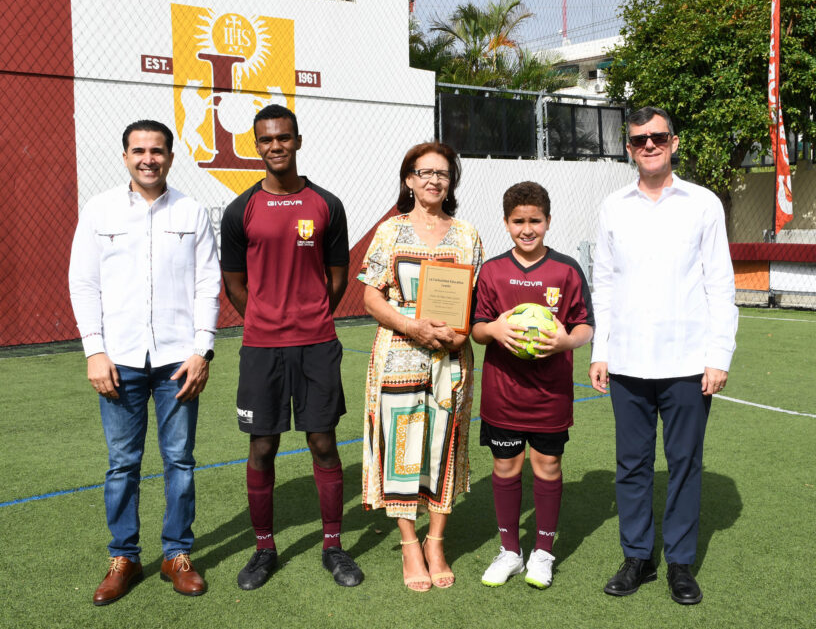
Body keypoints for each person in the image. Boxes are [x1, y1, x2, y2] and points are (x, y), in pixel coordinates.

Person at [589, 106, 738, 605]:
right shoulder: (613, 206)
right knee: (631, 465)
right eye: (638, 140)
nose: (648, 145)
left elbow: (721, 284)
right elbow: (604, 283)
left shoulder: (703, 203)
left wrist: (719, 355)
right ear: (629, 149)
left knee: (685, 464)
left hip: (687, 362)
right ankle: (637, 557)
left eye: (657, 137)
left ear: (673, 142)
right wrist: (601, 351)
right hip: (628, 361)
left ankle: (679, 563)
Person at [69, 119, 220, 605]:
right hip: (119, 360)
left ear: (170, 157)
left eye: (157, 151)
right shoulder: (100, 210)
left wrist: (202, 350)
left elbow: (207, 284)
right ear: (125, 156)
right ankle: (124, 557)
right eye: (139, 151)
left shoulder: (191, 211)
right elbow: (84, 284)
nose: (148, 159)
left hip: (179, 360)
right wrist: (95, 350)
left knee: (179, 461)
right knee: (122, 465)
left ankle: (177, 554)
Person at [220, 104, 363, 590]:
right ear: (256, 146)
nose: (275, 146)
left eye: (283, 137)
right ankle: (264, 548)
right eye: (266, 139)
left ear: (297, 141)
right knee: (262, 446)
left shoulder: (326, 204)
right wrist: (266, 319)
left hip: (317, 342)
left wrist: (310, 315)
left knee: (323, 441)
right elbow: (234, 284)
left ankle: (333, 545)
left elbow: (338, 276)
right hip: (262, 347)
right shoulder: (240, 210)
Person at [359, 141, 484, 592]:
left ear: (451, 182)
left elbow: (476, 299)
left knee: (445, 445)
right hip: (398, 354)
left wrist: (460, 334)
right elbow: (370, 295)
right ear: (409, 179)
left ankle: (436, 542)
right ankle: (410, 544)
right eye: (425, 172)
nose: (434, 180)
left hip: (451, 357)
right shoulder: (390, 231)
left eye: (443, 173)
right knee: (403, 449)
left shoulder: (467, 235)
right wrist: (412, 326)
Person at [471, 181, 594, 589]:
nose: (527, 229)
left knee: (548, 466)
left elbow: (585, 325)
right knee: (505, 467)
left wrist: (566, 341)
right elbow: (476, 328)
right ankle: (510, 551)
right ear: (506, 223)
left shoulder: (566, 270)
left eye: (535, 221)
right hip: (503, 393)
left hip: (550, 395)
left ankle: (543, 553)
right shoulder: (492, 271)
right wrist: (494, 329)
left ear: (548, 221)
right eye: (518, 221)